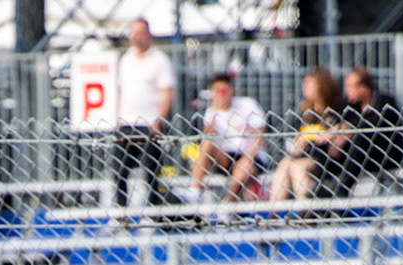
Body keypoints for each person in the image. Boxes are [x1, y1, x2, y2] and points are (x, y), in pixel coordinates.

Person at [105, 18, 174, 212]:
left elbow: (167, 91)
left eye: (140, 33)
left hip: (150, 123)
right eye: (133, 33)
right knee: (119, 169)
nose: (136, 37)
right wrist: (117, 118)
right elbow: (121, 90)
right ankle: (121, 210)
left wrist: (159, 120)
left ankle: (152, 211)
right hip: (127, 123)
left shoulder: (159, 60)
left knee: (150, 170)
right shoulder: (126, 59)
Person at [267, 67, 344, 202]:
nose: (304, 86)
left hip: (329, 158)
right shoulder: (305, 112)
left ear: (321, 85)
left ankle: (306, 211)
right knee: (286, 163)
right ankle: (273, 210)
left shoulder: (336, 108)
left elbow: (342, 130)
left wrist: (314, 136)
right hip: (307, 155)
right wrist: (300, 142)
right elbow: (297, 138)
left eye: (308, 83)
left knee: (297, 167)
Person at [191, 72, 265, 205]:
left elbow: (260, 136)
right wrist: (213, 116)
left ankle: (228, 205)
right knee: (206, 143)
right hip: (225, 156)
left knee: (243, 168)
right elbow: (207, 136)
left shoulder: (247, 104)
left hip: (249, 155)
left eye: (224, 91)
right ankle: (194, 192)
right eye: (217, 91)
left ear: (232, 90)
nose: (221, 95)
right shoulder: (212, 111)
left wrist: (248, 157)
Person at [337, 67, 403, 193]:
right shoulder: (351, 107)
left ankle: (342, 190)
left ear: (363, 88)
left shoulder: (386, 103)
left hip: (385, 154)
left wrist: (350, 130)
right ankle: (320, 191)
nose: (346, 91)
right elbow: (342, 125)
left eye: (350, 86)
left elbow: (375, 127)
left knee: (362, 136)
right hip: (359, 156)